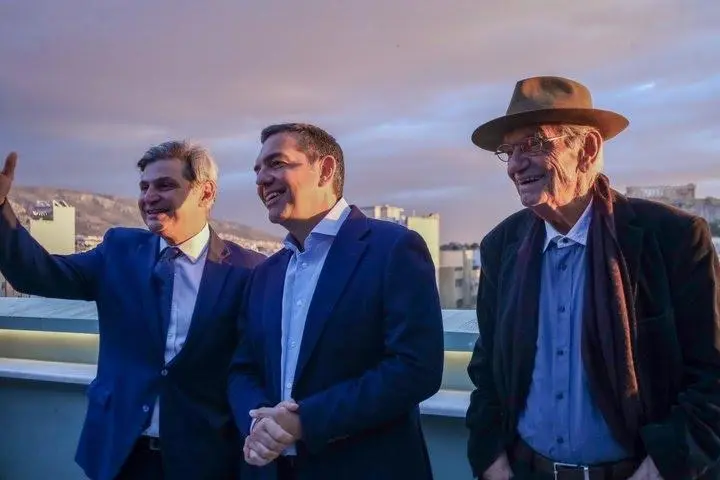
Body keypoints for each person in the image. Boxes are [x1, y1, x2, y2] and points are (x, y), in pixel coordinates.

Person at [464, 75, 720, 480]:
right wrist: (491, 460)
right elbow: (487, 368)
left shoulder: (672, 238)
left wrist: (662, 468)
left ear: (587, 149)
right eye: (508, 152)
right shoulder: (502, 246)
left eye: (533, 144)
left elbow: (712, 376)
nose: (514, 165)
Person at [0, 142, 265, 480]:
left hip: (205, 459)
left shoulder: (247, 270)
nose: (149, 197)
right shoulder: (119, 250)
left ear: (205, 193)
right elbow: (39, 274)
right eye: (144, 187)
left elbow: (258, 360)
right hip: (121, 454)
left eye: (164, 185)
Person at [227, 123, 445, 479]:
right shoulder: (265, 273)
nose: (262, 179)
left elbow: (415, 368)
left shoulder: (393, 248)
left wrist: (305, 420)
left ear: (325, 170)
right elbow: (242, 368)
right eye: (257, 170)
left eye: (277, 163)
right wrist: (258, 422)